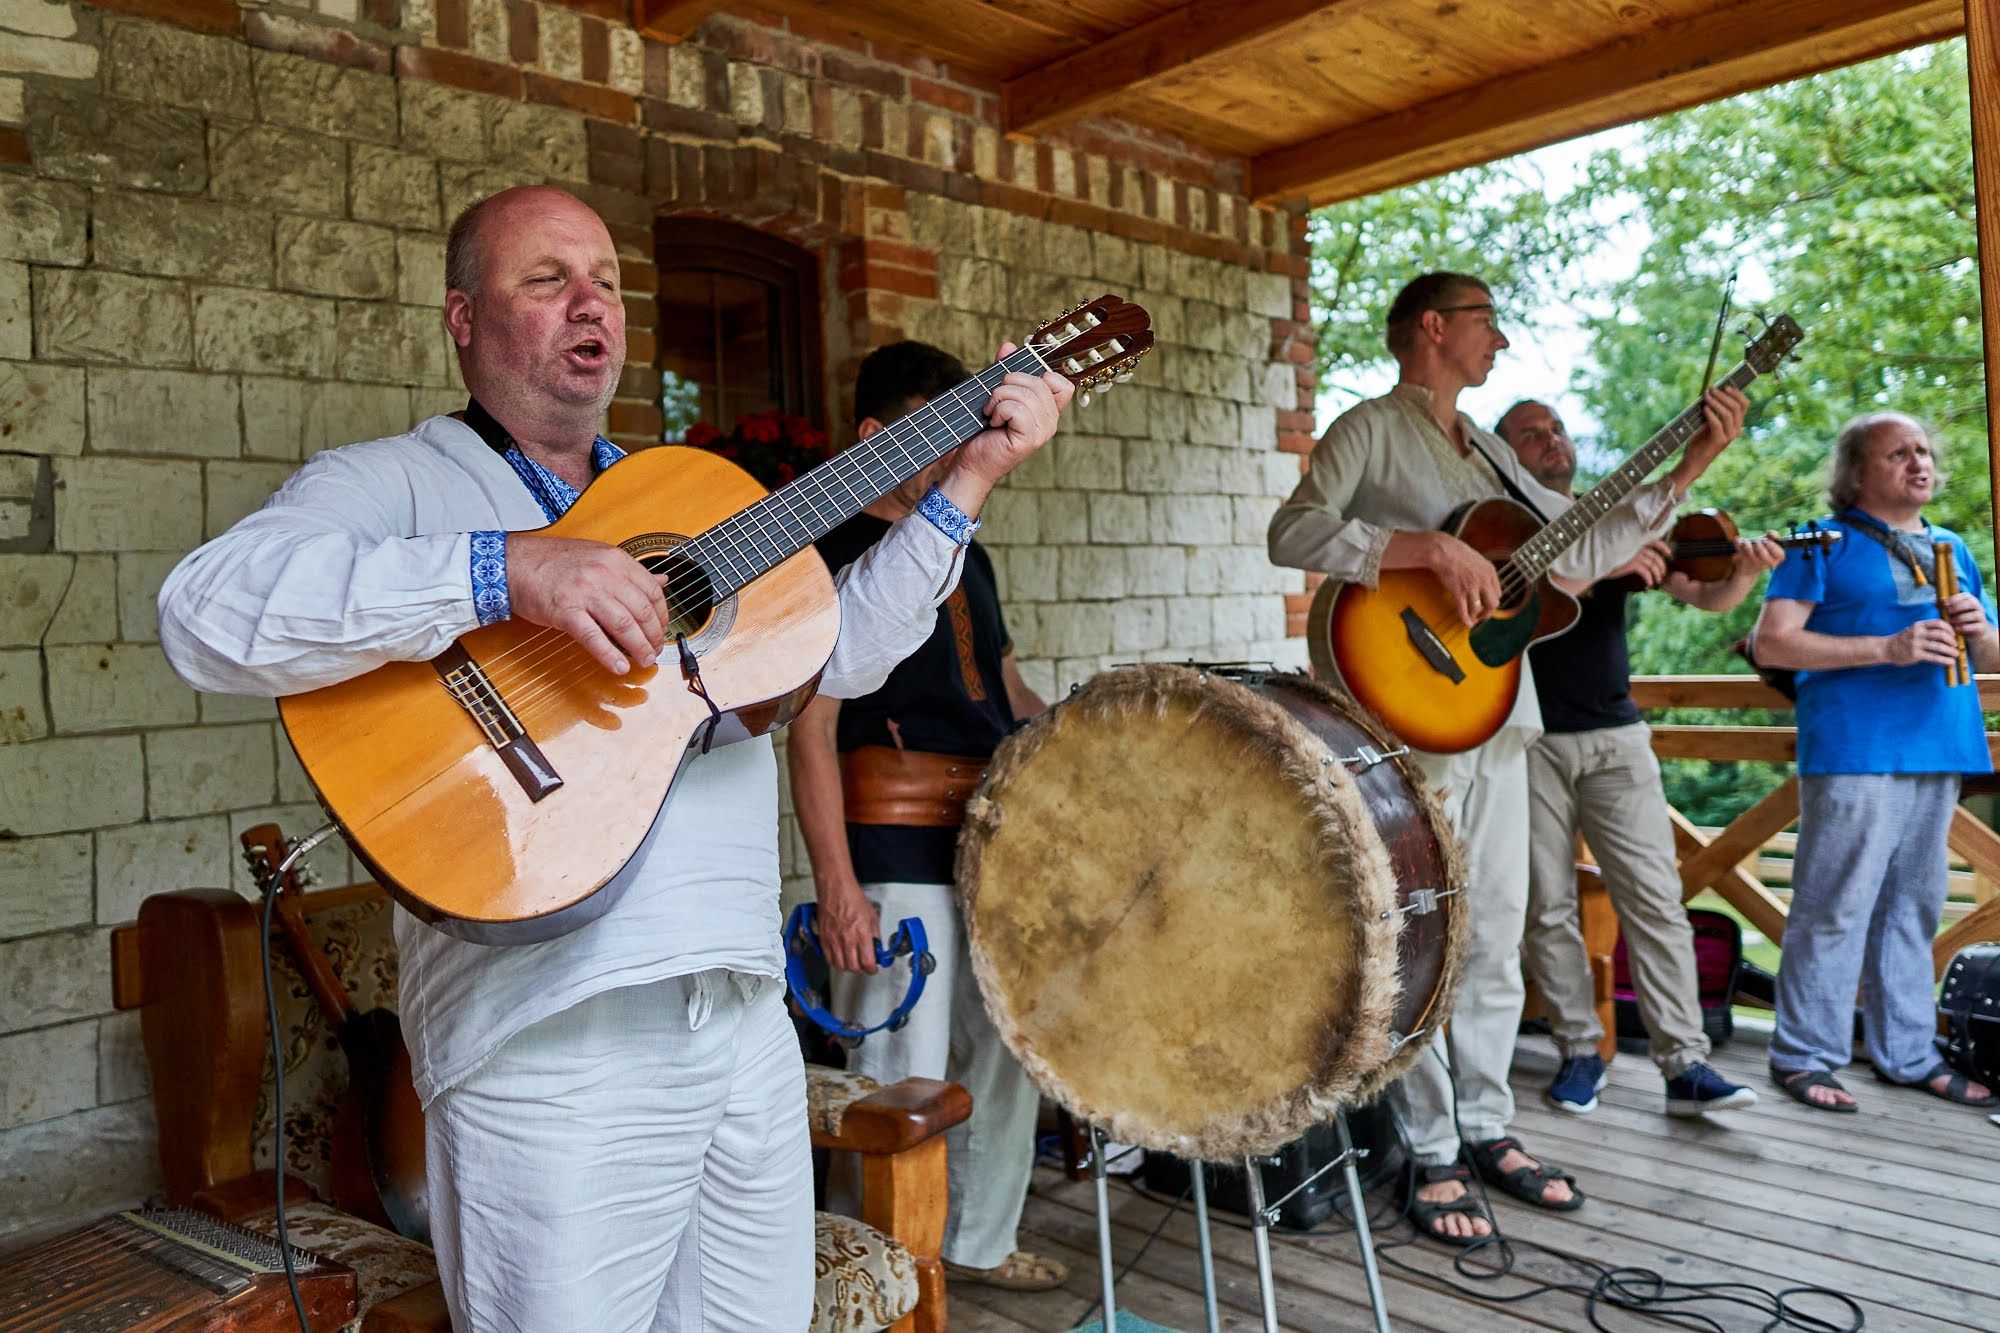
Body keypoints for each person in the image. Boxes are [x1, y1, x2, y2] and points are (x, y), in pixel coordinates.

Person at [155, 185, 1074, 1329]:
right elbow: (204, 613)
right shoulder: (395, 481)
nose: (589, 301)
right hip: (547, 1041)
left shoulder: (685, 501)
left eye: (604, 280)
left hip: (739, 1025)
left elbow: (838, 656)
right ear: (461, 320)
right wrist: (506, 572)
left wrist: (968, 480)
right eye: (546, 280)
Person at [1267, 271, 1746, 1245]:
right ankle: (1427, 1144)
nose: (1502, 341)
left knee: (1494, 930)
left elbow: (1577, 551)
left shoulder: (1485, 449)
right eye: (1489, 322)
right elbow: (1292, 530)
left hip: (1504, 717)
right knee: (1428, 933)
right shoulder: (1369, 426)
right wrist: (1418, 550)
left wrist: (1688, 465)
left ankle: (1485, 1124)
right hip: (1413, 713)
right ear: (1434, 328)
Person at [786, 340, 1064, 1293]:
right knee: (890, 1074)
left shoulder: (967, 550)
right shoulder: (825, 554)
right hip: (890, 843)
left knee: (1008, 1043)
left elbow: (1007, 686)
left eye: (966, 431)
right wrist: (838, 887)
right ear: (872, 438)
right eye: (933, 432)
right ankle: (871, 1273)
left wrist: (1089, 743)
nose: (956, 452)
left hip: (993, 842)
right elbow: (809, 725)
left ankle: (976, 1242)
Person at [1497, 398, 1775, 1118]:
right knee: (1546, 904)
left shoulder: (1612, 513)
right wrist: (1611, 562)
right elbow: (1543, 587)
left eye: (1556, 427)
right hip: (1526, 737)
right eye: (1531, 433)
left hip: (1616, 735)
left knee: (1655, 897)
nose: (1552, 439)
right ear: (1504, 456)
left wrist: (1745, 574)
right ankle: (1580, 1051)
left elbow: (1706, 596)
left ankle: (1685, 1062)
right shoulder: (1495, 530)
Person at [1751, 411, 1999, 1115]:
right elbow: (1773, 643)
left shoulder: (1953, 546)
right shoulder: (1815, 537)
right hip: (1855, 745)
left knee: (1914, 908)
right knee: (1834, 905)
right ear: (1858, 472)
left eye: (1923, 450)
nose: (1919, 462)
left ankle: (1908, 1052)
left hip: (1940, 742)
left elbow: (1992, 658)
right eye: (1898, 453)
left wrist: (1983, 633)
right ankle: (1803, 1053)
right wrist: (1885, 649)